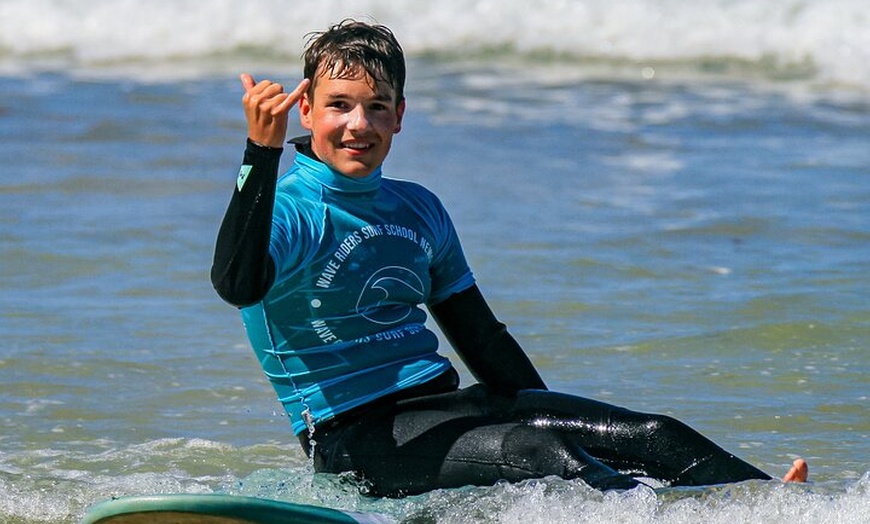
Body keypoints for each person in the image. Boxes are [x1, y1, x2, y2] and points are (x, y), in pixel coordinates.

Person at [211, 20, 807, 497]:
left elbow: (482, 339)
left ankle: (779, 507)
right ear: (307, 111)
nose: (358, 125)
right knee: (541, 456)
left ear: (400, 115)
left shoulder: (418, 209)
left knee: (651, 434)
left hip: (443, 403)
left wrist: (544, 411)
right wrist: (259, 154)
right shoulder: (287, 212)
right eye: (339, 105)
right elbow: (238, 283)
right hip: (354, 438)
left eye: (378, 106)